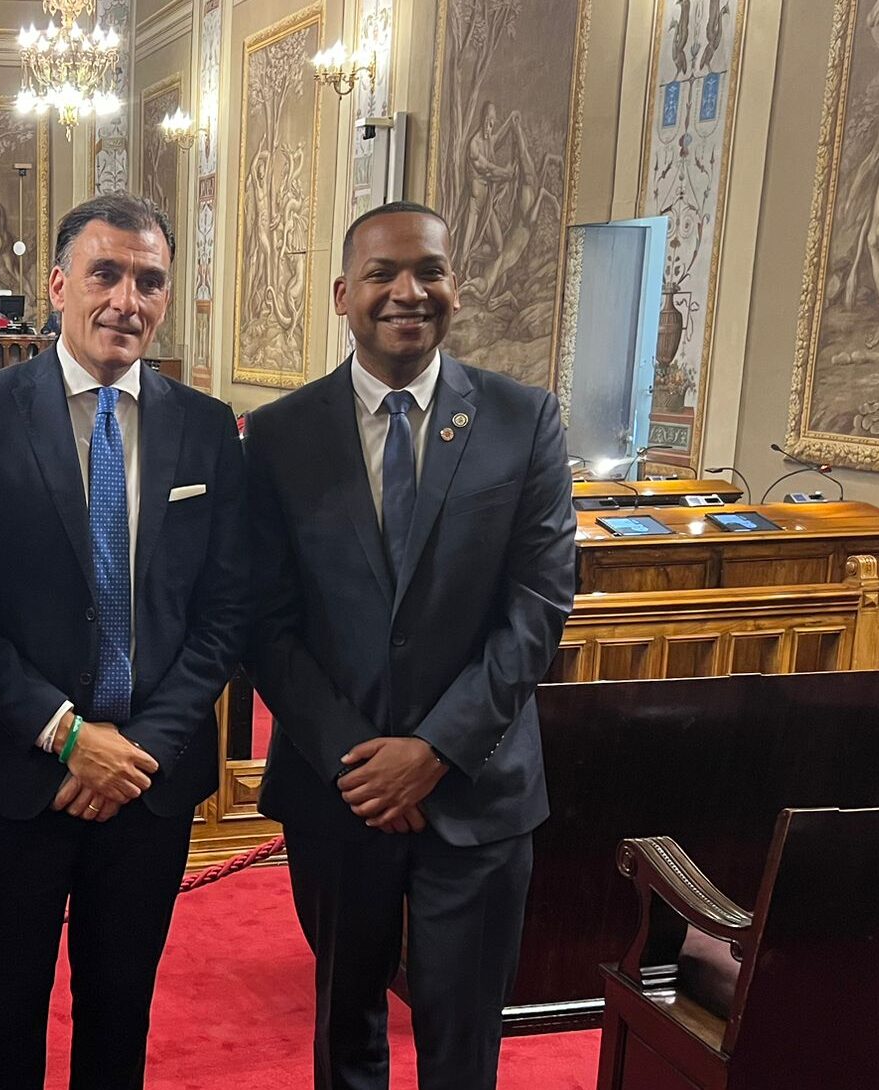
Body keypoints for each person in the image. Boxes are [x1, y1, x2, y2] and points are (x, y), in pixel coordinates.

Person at [0, 194, 248, 1089]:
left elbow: (223, 611)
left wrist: (137, 748)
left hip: (146, 783)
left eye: (149, 281)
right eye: (105, 274)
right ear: (59, 286)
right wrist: (66, 735)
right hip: (13, 775)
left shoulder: (205, 427)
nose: (125, 301)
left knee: (118, 1016)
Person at [244, 200, 576, 1090]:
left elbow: (539, 603)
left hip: (476, 789)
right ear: (341, 294)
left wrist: (432, 751)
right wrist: (359, 761)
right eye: (382, 274)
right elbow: (262, 620)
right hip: (337, 790)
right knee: (344, 1035)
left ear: (454, 287)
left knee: (461, 1047)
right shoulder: (278, 435)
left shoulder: (522, 418)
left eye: (428, 271)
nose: (408, 292)